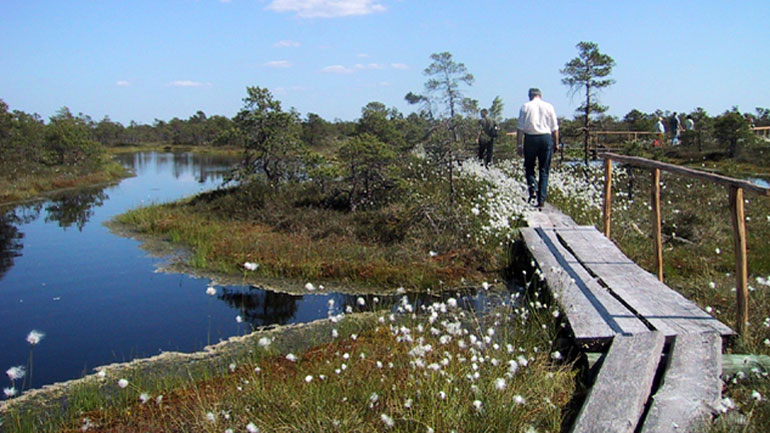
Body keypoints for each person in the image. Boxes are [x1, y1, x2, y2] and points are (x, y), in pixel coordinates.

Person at [516, 88, 559, 209]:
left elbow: (520, 128)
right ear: (540, 95)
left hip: (530, 138)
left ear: (530, 96)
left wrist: (519, 145)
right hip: (545, 138)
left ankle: (533, 187)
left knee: (529, 166)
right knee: (544, 170)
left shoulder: (525, 106)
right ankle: (541, 200)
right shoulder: (549, 106)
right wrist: (556, 144)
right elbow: (555, 128)